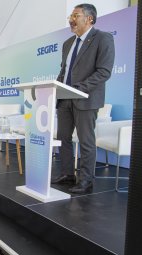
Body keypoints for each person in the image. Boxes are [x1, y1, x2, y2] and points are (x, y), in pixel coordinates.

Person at [51, 3, 115, 194]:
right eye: (70, 16)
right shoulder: (68, 43)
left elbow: (104, 72)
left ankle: (86, 179)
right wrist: (57, 89)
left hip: (85, 99)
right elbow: (63, 71)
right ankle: (67, 174)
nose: (71, 19)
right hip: (65, 100)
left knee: (86, 141)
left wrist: (78, 89)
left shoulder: (103, 38)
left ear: (89, 19)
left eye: (75, 15)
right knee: (63, 138)